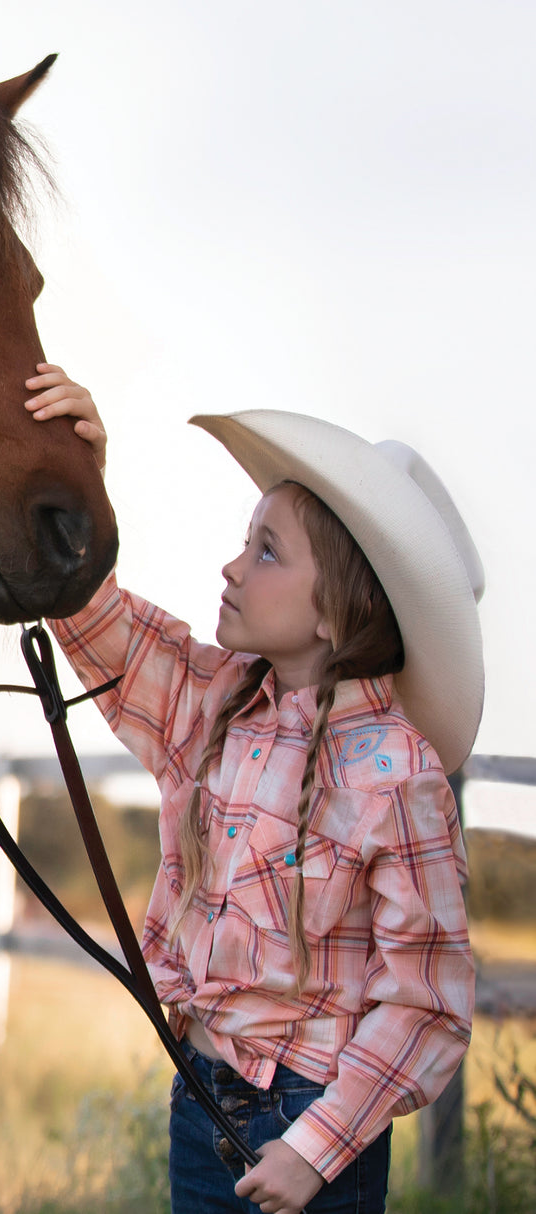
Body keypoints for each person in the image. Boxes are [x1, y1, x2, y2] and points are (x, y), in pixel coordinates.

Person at [24, 365, 482, 1214]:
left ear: (334, 614)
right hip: (200, 1096)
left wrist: (316, 1151)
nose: (232, 567)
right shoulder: (217, 703)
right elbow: (104, 627)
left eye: (267, 550)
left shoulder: (395, 774)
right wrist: (71, 465)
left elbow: (427, 1001)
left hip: (310, 1119)